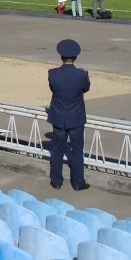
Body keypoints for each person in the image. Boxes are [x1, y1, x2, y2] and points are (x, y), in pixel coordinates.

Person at [46, 39, 91, 190]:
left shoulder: (53, 73)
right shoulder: (81, 75)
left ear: (61, 57)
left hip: (58, 116)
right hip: (76, 117)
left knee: (57, 149)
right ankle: (78, 182)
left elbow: (53, 89)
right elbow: (85, 89)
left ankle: (56, 180)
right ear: (75, 57)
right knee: (77, 150)